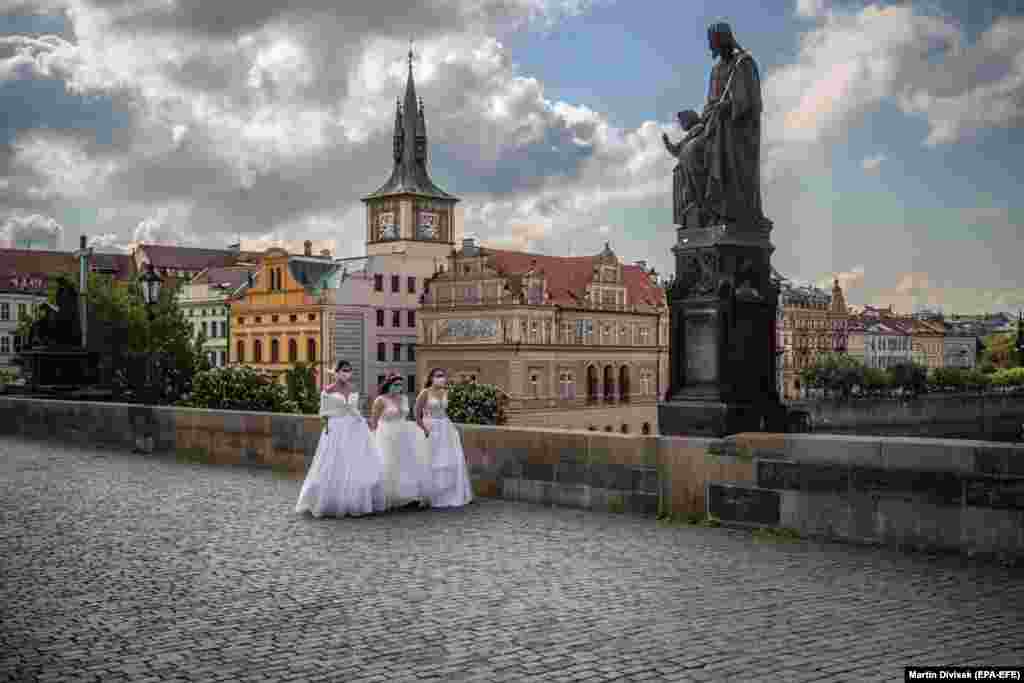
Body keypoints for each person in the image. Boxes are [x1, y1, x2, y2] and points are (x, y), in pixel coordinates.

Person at [295, 360, 384, 518]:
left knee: (355, 461)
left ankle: (355, 500)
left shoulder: (353, 388)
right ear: (336, 372)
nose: (347, 373)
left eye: (349, 370)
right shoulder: (328, 391)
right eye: (344, 370)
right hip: (336, 428)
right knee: (334, 462)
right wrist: (328, 427)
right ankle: (332, 501)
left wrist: (363, 421)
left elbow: (355, 409)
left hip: (354, 426)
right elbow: (323, 413)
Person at [415, 368, 473, 509]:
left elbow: (445, 411)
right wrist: (424, 429)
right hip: (431, 426)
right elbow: (416, 413)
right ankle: (431, 495)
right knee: (432, 459)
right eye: (438, 376)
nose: (441, 378)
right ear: (431, 378)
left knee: (449, 459)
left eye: (442, 376)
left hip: (446, 427)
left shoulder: (445, 392)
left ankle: (448, 494)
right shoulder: (425, 392)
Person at [371, 372, 430, 509]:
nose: (399, 388)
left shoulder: (404, 398)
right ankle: (391, 495)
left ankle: (409, 495)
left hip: (403, 433)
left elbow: (406, 416)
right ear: (389, 385)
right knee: (389, 463)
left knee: (406, 463)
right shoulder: (380, 400)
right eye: (396, 385)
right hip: (386, 434)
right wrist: (373, 438)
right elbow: (374, 421)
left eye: (400, 385)